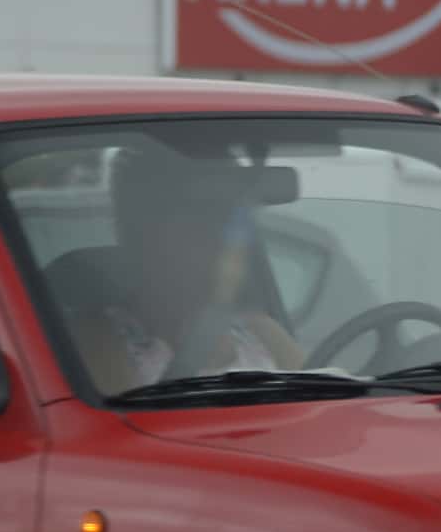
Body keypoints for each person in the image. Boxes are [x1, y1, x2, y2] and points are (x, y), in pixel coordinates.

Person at [69, 142, 306, 392]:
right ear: (144, 232)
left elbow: (318, 407)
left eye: (228, 218)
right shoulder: (98, 339)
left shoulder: (260, 332)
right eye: (201, 219)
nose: (221, 238)